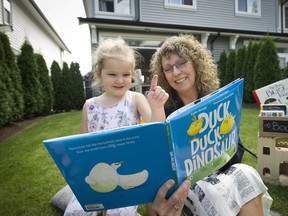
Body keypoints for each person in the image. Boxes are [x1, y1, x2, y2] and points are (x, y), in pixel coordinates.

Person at [148, 34, 271, 216]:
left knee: (247, 174)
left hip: (221, 172)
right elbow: (155, 156)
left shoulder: (216, 99)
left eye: (181, 63)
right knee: (212, 193)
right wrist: (156, 108)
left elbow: (235, 150)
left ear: (196, 63)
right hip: (187, 183)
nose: (176, 72)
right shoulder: (164, 107)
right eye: (168, 68)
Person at [64, 37, 168, 216]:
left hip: (125, 172)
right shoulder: (89, 106)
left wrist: (157, 107)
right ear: (98, 73)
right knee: (77, 212)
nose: (120, 80)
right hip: (96, 173)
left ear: (132, 75)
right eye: (112, 74)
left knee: (120, 213)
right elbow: (82, 147)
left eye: (126, 75)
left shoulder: (135, 99)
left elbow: (156, 131)